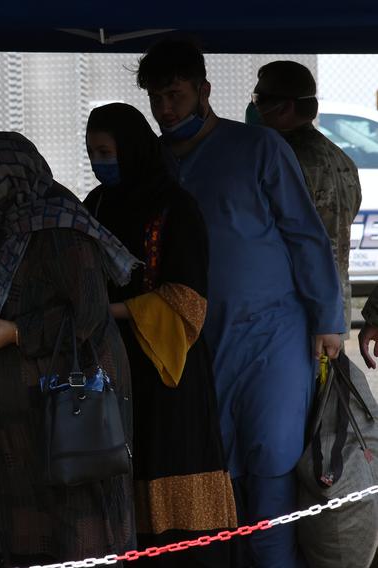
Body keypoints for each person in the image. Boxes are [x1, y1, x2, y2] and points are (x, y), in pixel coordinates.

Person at [136, 39, 345, 567]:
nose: (165, 110)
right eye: (156, 99)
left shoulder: (259, 148)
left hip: (271, 339)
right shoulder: (155, 164)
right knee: (215, 479)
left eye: (175, 95)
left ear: (204, 90)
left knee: (271, 470)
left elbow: (306, 236)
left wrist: (328, 320)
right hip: (194, 348)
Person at [0, 131, 139, 566]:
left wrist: (15, 332)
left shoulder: (59, 227)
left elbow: (88, 313)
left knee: (77, 523)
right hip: (22, 415)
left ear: (4, 178)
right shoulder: (6, 227)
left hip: (69, 406)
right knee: (27, 531)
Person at [84, 103, 236, 566]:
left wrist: (113, 309)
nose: (98, 161)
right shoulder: (94, 206)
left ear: (131, 148)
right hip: (110, 366)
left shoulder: (176, 207)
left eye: (106, 151)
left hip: (168, 367)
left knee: (172, 474)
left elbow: (188, 297)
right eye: (91, 151)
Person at [251, 60, 361, 334]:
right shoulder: (341, 157)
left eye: (259, 99)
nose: (254, 107)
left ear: (285, 106)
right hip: (334, 309)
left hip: (293, 311)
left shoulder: (279, 159)